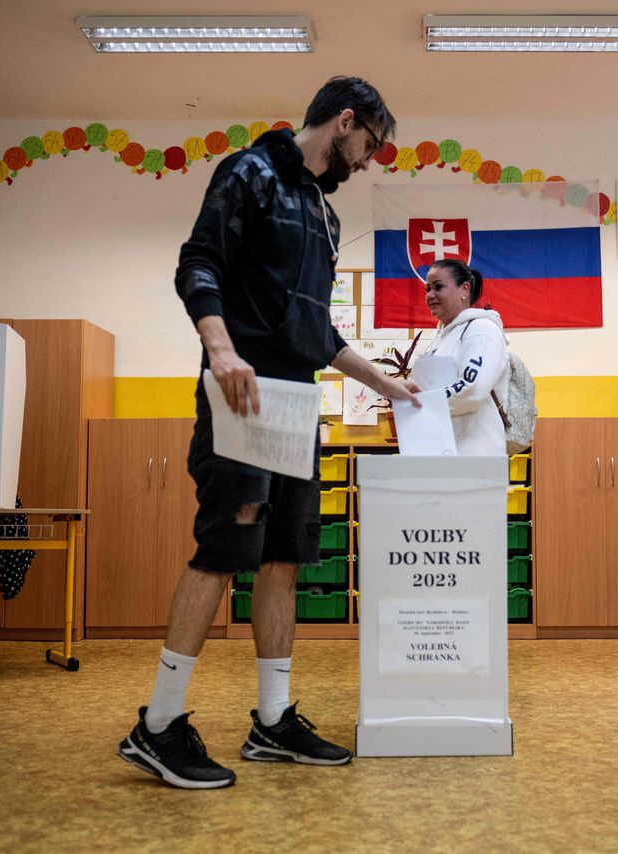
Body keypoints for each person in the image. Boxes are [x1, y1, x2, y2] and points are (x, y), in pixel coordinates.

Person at [118, 77, 419, 790]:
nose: (370, 160)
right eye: (370, 144)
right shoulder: (249, 172)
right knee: (224, 551)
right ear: (344, 122)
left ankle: (273, 721)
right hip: (241, 395)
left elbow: (317, 331)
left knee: (284, 558)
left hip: (293, 403)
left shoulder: (324, 212)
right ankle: (157, 726)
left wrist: (384, 385)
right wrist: (218, 346)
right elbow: (199, 262)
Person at [418, 259, 510, 456]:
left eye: (438, 287)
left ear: (465, 289)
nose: (431, 295)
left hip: (474, 455)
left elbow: (473, 388)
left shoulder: (482, 329)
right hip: (441, 455)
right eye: (428, 289)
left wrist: (418, 402)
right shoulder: (439, 339)